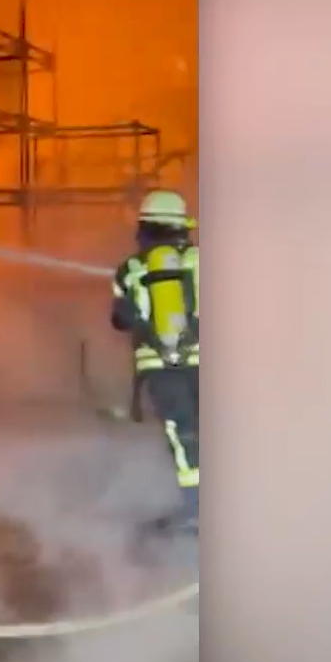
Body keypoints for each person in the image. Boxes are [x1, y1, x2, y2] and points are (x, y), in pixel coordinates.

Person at [111, 188, 200, 539]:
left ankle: (197, 510)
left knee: (183, 434)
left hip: (160, 367)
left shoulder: (131, 269)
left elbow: (120, 319)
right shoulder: (199, 259)